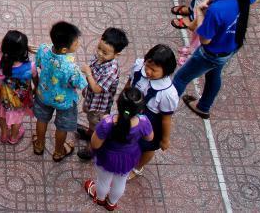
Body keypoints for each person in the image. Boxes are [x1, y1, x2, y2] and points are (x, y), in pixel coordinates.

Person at [173, 0, 256, 121]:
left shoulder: (217, 10)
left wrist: (199, 12)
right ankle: (203, 106)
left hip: (211, 53)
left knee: (180, 78)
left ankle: (163, 112)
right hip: (230, 47)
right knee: (214, 74)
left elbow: (205, 40)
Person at [83, 88, 154, 211]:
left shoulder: (107, 122)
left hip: (107, 157)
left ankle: (100, 198)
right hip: (129, 157)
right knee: (121, 181)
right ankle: (111, 203)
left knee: (103, 180)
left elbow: (95, 144)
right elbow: (150, 138)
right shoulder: (144, 122)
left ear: (117, 103)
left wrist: (103, 122)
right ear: (141, 109)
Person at [32, 21, 88, 161]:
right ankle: (58, 152)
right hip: (65, 102)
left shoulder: (43, 49)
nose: (78, 44)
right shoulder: (71, 67)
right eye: (76, 42)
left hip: (43, 95)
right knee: (61, 127)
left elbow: (38, 63)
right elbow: (80, 84)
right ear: (64, 50)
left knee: (42, 120)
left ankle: (39, 145)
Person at [126, 44, 178, 178]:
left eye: (154, 70)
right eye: (147, 66)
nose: (148, 71)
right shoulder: (138, 67)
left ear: (166, 71)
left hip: (150, 121)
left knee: (148, 146)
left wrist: (165, 139)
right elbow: (130, 82)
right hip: (132, 110)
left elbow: (166, 119)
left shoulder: (167, 93)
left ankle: (137, 167)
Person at [77, 27, 129, 161]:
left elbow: (96, 89)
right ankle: (89, 132)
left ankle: (92, 148)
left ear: (116, 54)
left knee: (97, 125)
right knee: (91, 119)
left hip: (99, 106)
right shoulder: (100, 57)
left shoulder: (111, 71)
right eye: (99, 48)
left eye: (105, 52)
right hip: (92, 100)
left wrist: (88, 73)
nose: (100, 53)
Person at [0, 29, 34, 145]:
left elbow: (3, 48)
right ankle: (13, 138)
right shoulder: (30, 67)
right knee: (17, 120)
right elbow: (35, 80)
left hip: (4, 98)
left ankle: (3, 135)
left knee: (2, 116)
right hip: (19, 100)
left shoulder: (0, 61)